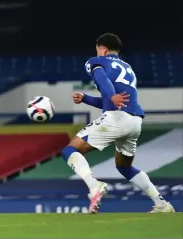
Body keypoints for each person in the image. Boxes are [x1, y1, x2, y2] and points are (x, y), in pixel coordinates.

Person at [63, 33, 175, 213]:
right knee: (124, 166)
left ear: (103, 49)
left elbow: (103, 81)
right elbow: (111, 100)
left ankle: (94, 187)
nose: (97, 52)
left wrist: (111, 95)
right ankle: (162, 204)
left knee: (70, 150)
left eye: (98, 49)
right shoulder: (128, 68)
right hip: (134, 122)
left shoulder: (96, 61)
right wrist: (86, 98)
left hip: (116, 118)